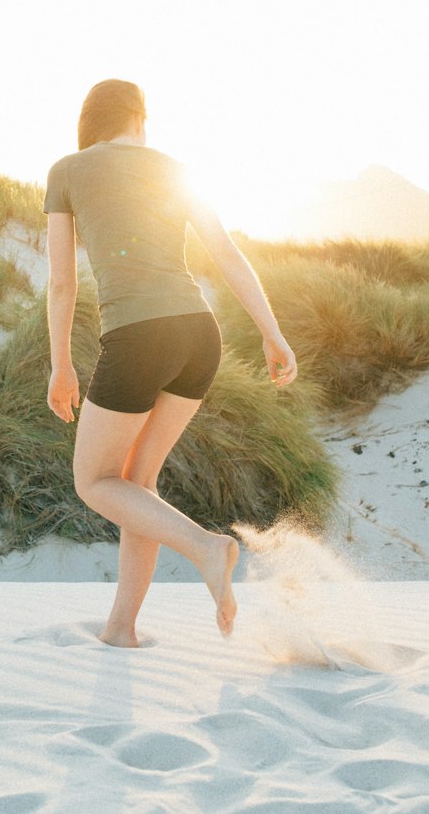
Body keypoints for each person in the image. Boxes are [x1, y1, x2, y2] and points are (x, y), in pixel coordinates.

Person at [43, 78, 298, 646]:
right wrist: (272, 334)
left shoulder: (68, 169)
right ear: (139, 116)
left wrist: (61, 363)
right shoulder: (176, 168)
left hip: (138, 338)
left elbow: (63, 284)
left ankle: (207, 548)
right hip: (198, 337)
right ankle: (121, 629)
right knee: (139, 483)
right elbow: (228, 256)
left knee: (93, 480)